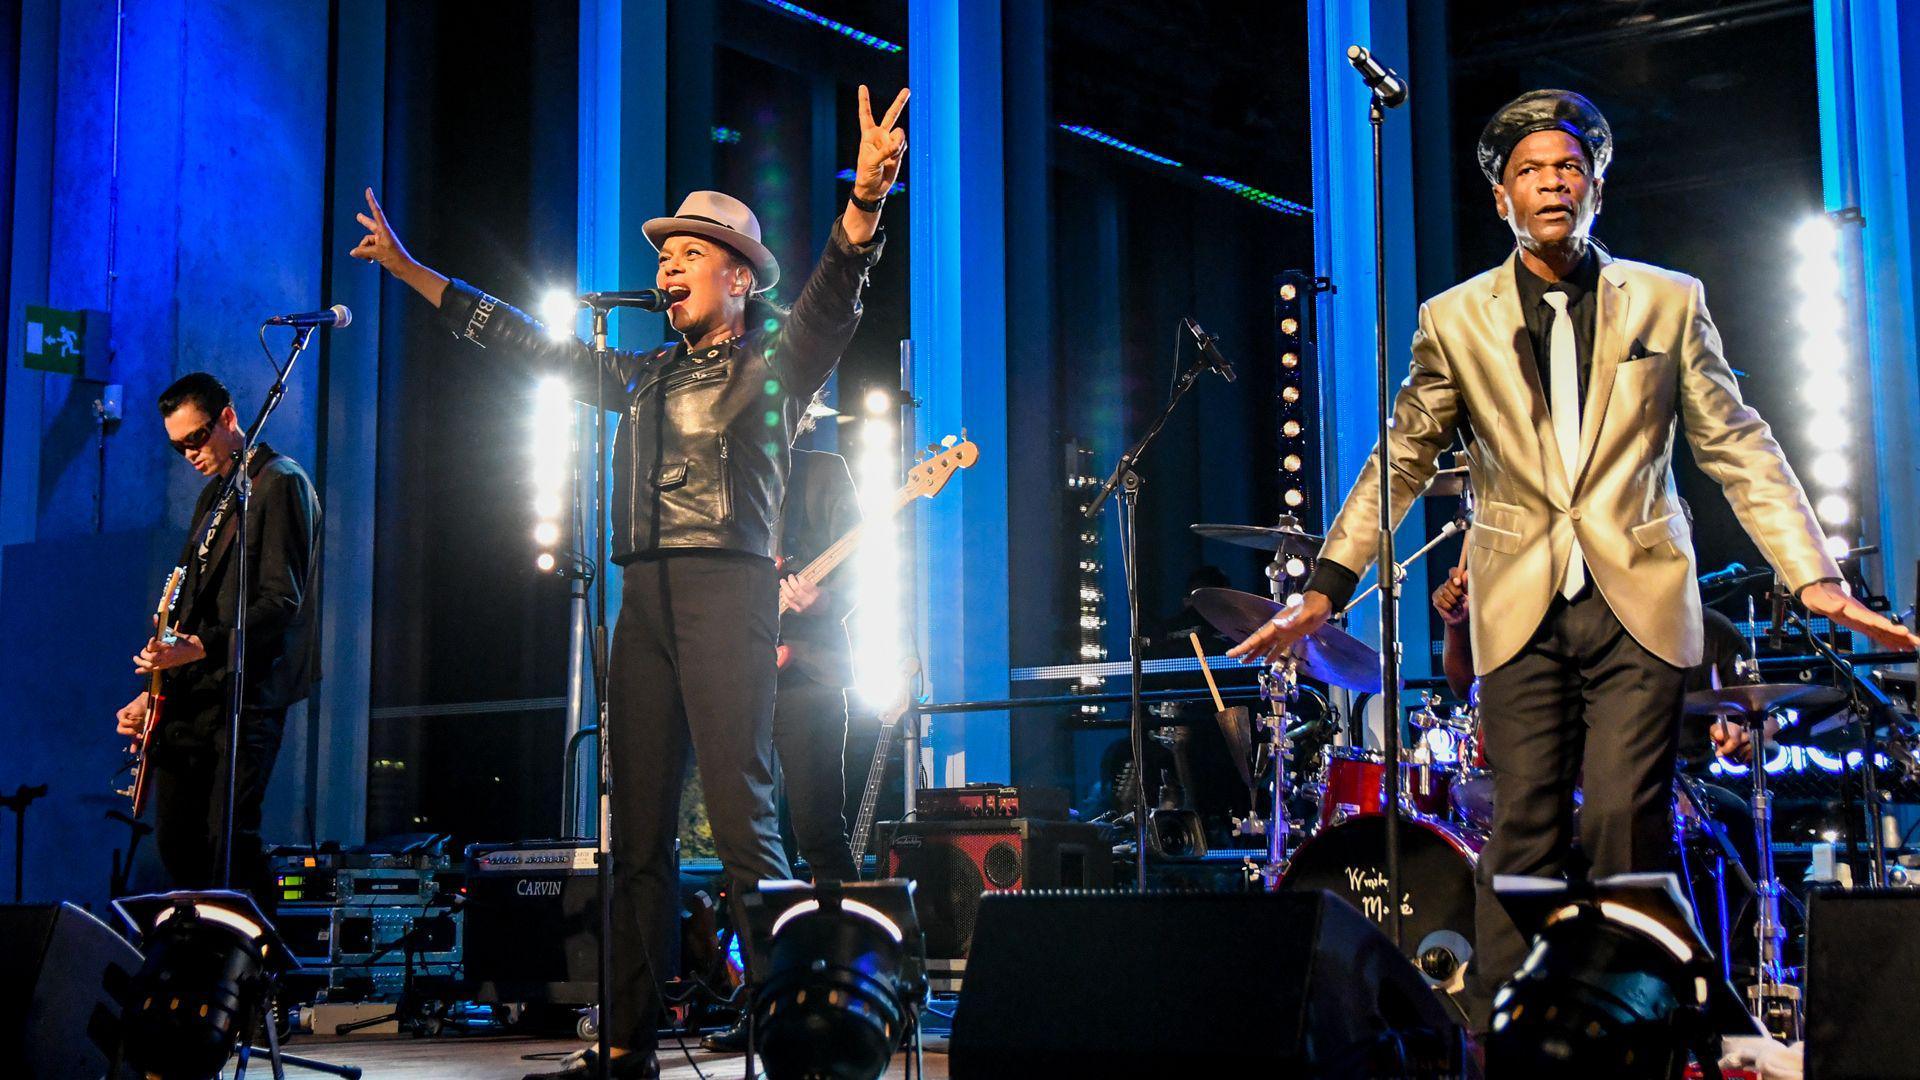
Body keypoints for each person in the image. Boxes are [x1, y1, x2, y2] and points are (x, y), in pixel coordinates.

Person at [1231, 89, 1919, 1030]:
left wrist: (1819, 580)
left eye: (1568, 166)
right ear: (1502, 198)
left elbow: (1738, 446)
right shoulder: (1455, 318)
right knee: (1519, 839)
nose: (1551, 182)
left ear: (1596, 185)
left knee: (1624, 834)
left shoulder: (1669, 301)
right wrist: (1325, 588)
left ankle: (1623, 1034)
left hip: (1638, 597)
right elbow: (1398, 461)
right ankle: (1501, 1042)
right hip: (1516, 603)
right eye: (1529, 171)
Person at [353, 85, 907, 1080]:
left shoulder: (775, 367)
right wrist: (410, 270)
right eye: (665, 253)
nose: (669, 265)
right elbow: (530, 342)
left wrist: (862, 208)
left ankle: (796, 1042)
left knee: (744, 822)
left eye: (692, 253)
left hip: (727, 589)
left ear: (740, 281)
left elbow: (832, 298)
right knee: (637, 832)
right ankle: (625, 1043)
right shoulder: (643, 377)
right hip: (640, 599)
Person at [114, 372, 322, 911]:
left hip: (246, 694)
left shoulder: (281, 482)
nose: (189, 453)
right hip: (193, 694)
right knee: (177, 846)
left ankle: (260, 974)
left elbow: (282, 600)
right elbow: (185, 604)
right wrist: (156, 686)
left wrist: (200, 648)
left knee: (226, 844)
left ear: (228, 418)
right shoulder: (213, 495)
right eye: (178, 446)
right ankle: (197, 975)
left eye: (196, 438)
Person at [702, 444, 861, 1055]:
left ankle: (847, 992)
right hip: (742, 678)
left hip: (810, 679)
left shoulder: (822, 470)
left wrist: (820, 600)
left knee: (820, 832)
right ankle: (765, 999)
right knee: (743, 842)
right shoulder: (728, 467)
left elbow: (866, 564)